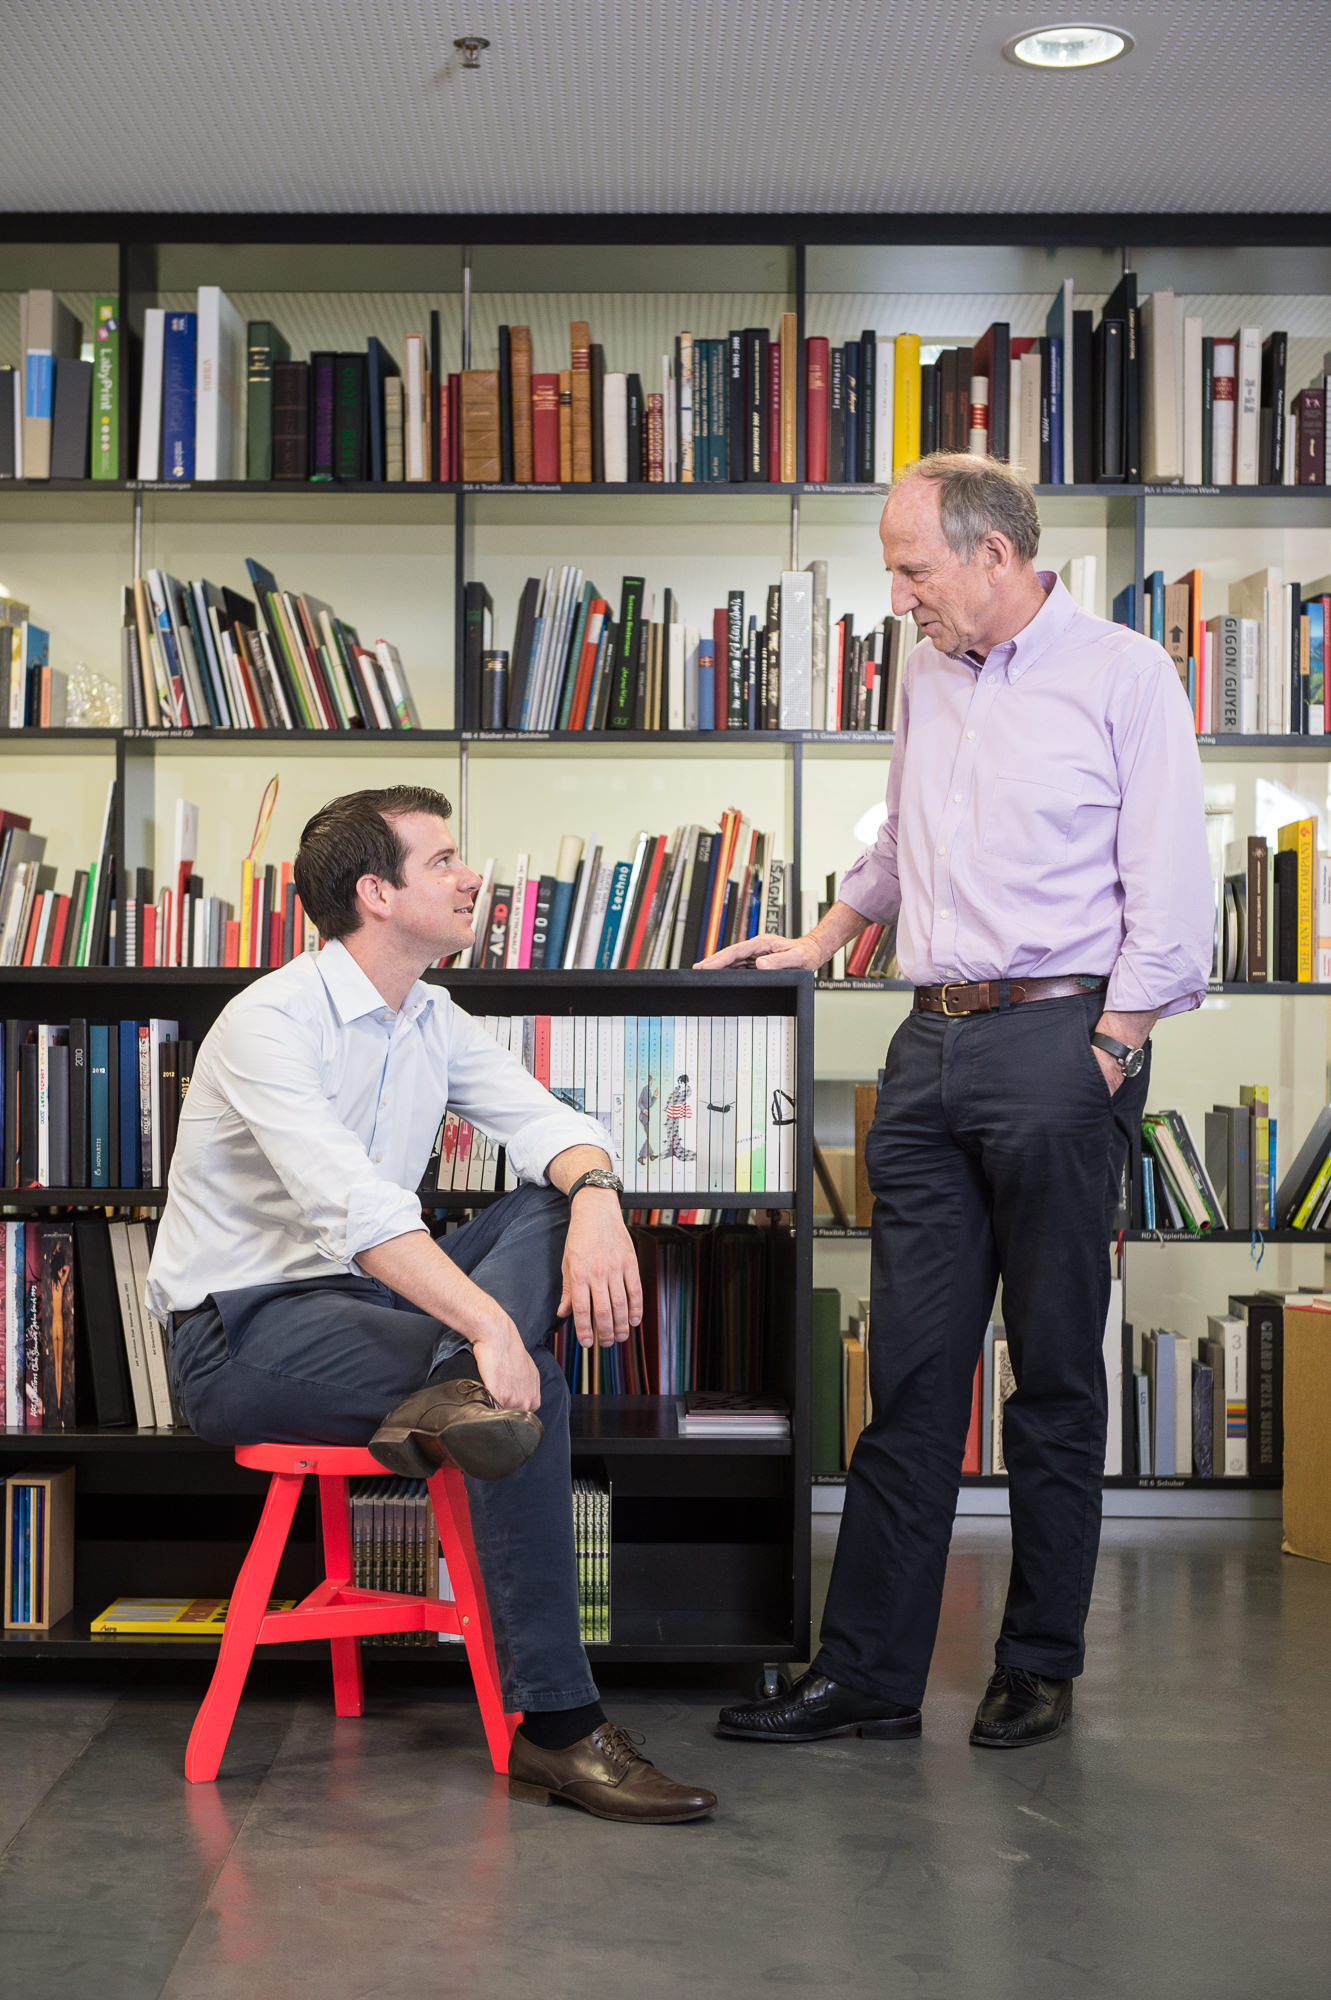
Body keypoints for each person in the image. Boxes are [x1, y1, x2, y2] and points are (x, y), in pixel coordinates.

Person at [701, 454, 1213, 1749]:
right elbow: (895, 843)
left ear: (994, 557)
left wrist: (1111, 1043)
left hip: (1056, 1041)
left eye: (911, 566)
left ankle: (1034, 1662)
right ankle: (865, 1676)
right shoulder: (928, 674)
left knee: (1049, 1376)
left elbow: (1166, 877)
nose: (895, 593)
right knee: (912, 1381)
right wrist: (818, 943)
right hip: (923, 1052)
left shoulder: (1122, 676)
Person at [147, 785, 716, 1823]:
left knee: (549, 1196)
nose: (470, 876)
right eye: (443, 859)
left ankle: (458, 1390)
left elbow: (548, 1121)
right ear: (376, 891)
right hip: (243, 1335)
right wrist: (490, 1326)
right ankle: (558, 1729)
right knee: (522, 1379)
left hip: (370, 1313)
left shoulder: (430, 1015)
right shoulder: (267, 1022)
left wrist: (595, 1197)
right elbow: (354, 1207)